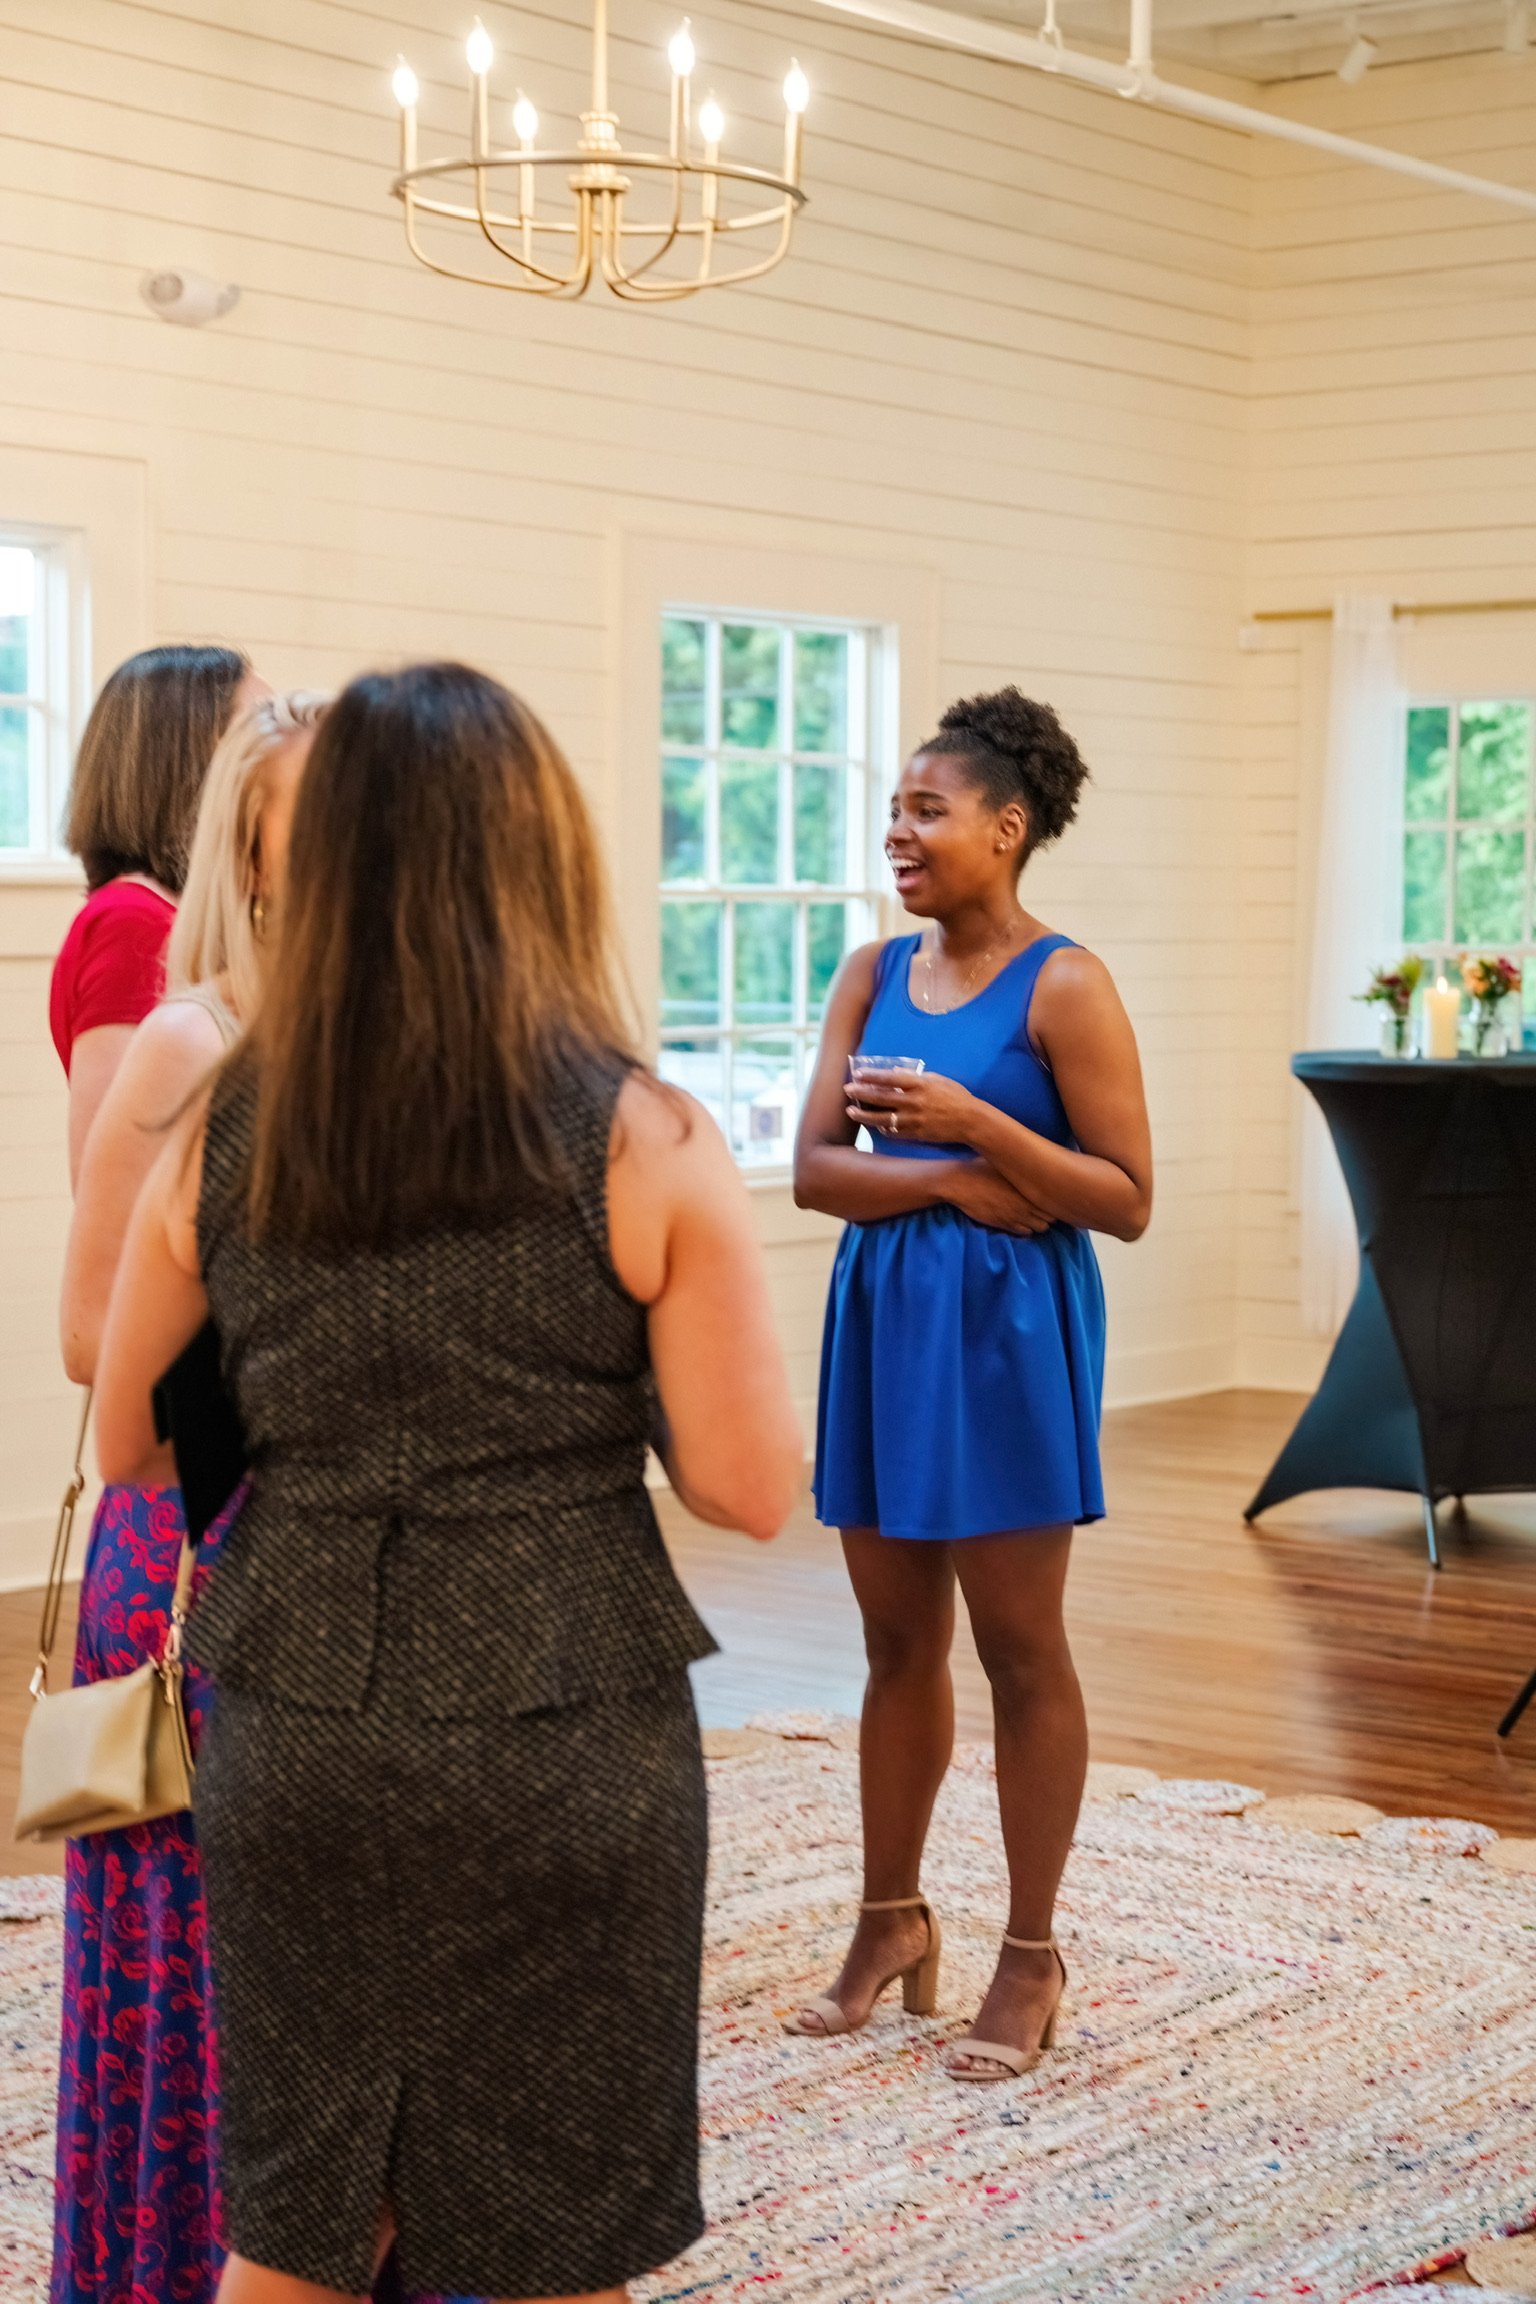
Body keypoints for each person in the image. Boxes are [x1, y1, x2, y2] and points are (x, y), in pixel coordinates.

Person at [92, 661, 804, 2304]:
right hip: (564, 1718)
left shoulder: (231, 1119)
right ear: (537, 854)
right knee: (561, 2238)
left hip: (301, 1714)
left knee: (299, 2224)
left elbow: (129, 1434)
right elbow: (751, 1486)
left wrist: (295, 1370)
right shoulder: (642, 1135)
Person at [787, 685, 1152, 2082]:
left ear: (1008, 829)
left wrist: (981, 1119)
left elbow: (1124, 1199)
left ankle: (1030, 1953)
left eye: (926, 811)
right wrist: (949, 1168)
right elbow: (819, 1171)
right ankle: (890, 1921)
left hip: (1006, 1340)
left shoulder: (1067, 984)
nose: (899, 832)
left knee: (1020, 1650)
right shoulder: (867, 975)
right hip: (883, 1325)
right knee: (892, 1646)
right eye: (893, 810)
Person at [52, 693, 322, 2304]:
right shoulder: (188, 1034)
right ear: (256, 850)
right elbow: (96, 1344)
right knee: (192, 1970)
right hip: (193, 1567)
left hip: (372, 1576)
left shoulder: (432, 1050)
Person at [50, 645, 259, 1182]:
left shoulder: (178, 914)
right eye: (256, 736)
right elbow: (108, 1175)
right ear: (186, 764)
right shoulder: (133, 923)